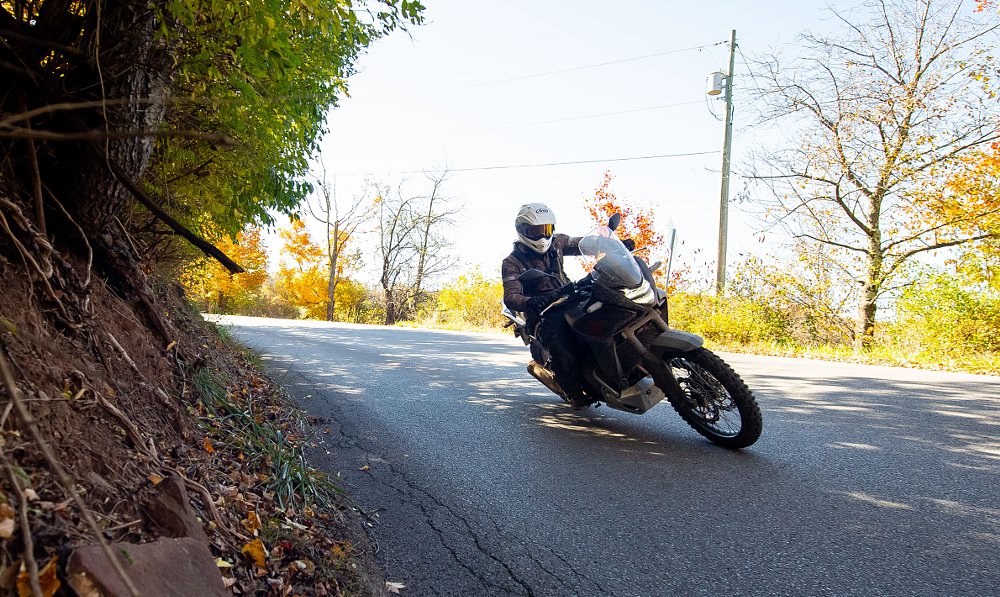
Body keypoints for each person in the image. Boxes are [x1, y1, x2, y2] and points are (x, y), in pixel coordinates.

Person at [501, 203, 594, 409]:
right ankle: (573, 392)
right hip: (541, 312)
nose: (542, 237)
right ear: (523, 231)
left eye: (546, 230)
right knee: (560, 343)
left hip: (568, 296)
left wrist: (613, 244)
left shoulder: (558, 243)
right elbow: (511, 296)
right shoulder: (512, 262)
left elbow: (584, 243)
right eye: (535, 232)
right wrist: (531, 301)